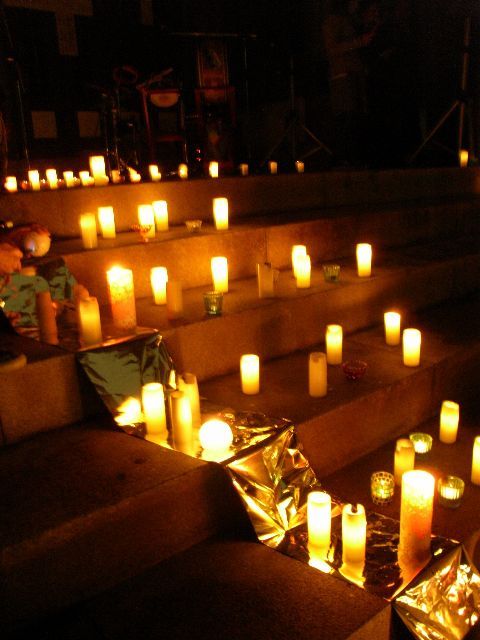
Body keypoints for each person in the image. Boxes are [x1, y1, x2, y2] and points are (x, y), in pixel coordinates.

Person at [322, 0, 377, 166]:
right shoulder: (332, 22)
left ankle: (353, 158)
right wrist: (359, 42)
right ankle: (343, 159)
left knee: (355, 118)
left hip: (354, 75)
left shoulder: (350, 21)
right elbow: (331, 49)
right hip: (343, 76)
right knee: (346, 118)